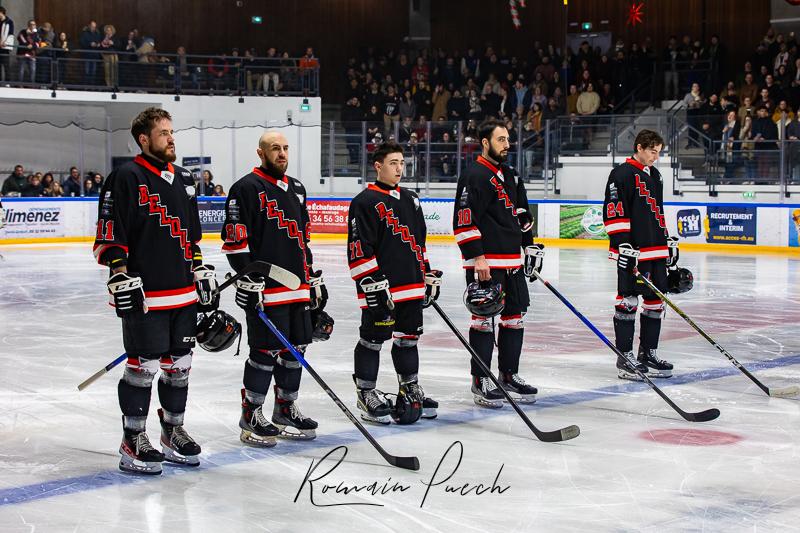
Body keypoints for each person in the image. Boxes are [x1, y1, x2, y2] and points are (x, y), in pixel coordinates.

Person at [92, 107, 215, 474]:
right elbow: (111, 231)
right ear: (144, 140)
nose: (171, 138)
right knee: (142, 368)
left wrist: (200, 267)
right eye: (163, 133)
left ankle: (172, 431)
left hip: (183, 295)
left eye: (172, 132)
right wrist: (118, 271)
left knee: (179, 367)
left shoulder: (184, 179)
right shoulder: (125, 177)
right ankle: (133, 438)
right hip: (146, 295)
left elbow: (191, 236)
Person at [222, 130, 326, 445]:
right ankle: (251, 413)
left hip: (298, 287)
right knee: (264, 353)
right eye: (274, 149)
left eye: (284, 148)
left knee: (296, 350)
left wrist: (312, 277)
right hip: (266, 290)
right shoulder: (245, 188)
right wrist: (248, 278)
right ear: (261, 153)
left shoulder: (296, 188)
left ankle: (285, 407)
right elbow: (235, 243)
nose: (281, 153)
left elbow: (302, 240)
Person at [346, 142, 440, 424]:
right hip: (381, 289)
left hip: (411, 285)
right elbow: (358, 248)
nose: (399, 168)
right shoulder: (364, 202)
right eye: (393, 163)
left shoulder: (411, 199)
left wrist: (426, 274)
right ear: (378, 166)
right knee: (373, 340)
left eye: (402, 163)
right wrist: (370, 282)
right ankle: (366, 393)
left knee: (409, 340)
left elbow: (419, 242)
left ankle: (409, 388)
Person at [452, 119, 542, 408]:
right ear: (486, 142)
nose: (507, 144)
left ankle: (508, 375)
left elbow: (523, 216)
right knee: (482, 321)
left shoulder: (512, 175)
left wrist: (529, 248)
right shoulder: (474, 175)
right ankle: (481, 379)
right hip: (486, 263)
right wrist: (477, 256)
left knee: (514, 319)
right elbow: (464, 220)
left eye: (508, 139)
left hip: (513, 261)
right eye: (501, 139)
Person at [602, 129, 678, 381]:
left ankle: (648, 353)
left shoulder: (654, 175)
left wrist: (667, 242)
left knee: (655, 302)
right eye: (652, 152)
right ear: (639, 147)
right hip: (633, 251)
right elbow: (613, 211)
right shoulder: (621, 174)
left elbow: (658, 212)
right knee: (628, 301)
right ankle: (625, 356)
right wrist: (623, 244)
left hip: (655, 249)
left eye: (658, 152)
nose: (656, 157)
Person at [0, 7, 13, 82]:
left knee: (6, 65)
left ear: (2, 12)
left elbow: (11, 34)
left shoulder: (9, 22)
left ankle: (8, 82)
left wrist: (5, 43)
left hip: (4, 47)